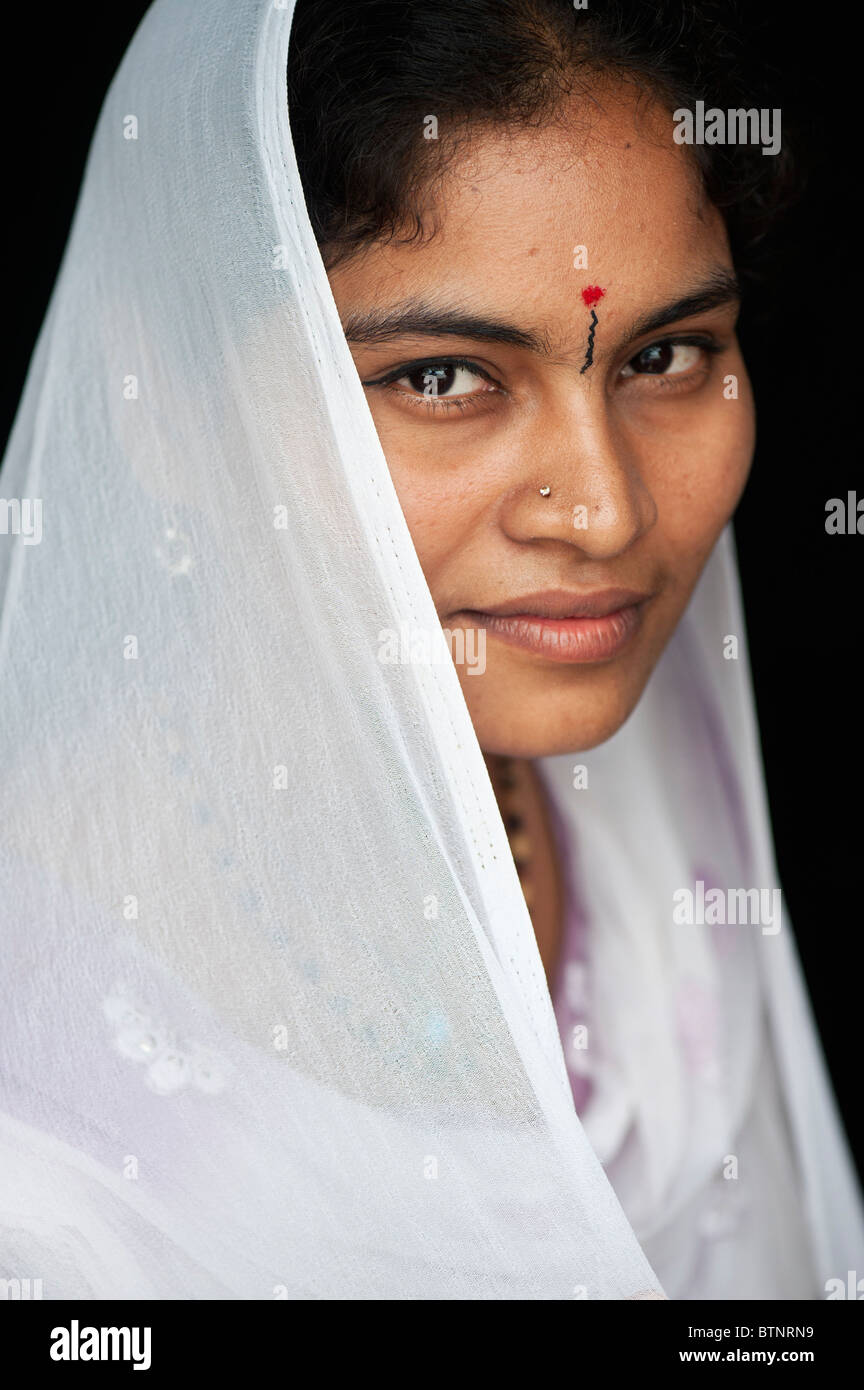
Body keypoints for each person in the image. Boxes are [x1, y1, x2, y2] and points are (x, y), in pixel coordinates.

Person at [0, 0, 860, 1301]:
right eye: (445, 378)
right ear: (166, 403)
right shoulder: (45, 1162)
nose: (608, 511)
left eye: (669, 353)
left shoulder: (653, 780)